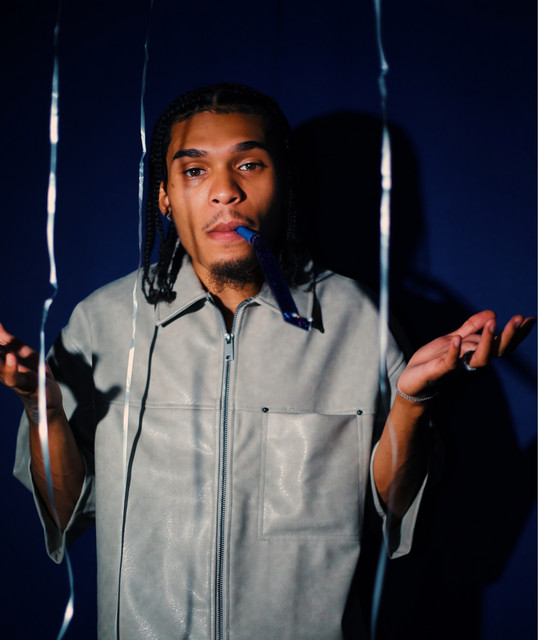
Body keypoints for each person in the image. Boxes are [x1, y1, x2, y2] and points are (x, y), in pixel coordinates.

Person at [2, 83, 534, 639]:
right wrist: (43, 412)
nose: (224, 192)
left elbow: (393, 511)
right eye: (194, 171)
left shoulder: (357, 320)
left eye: (249, 165)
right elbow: (65, 512)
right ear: (164, 197)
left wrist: (412, 402)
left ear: (284, 183)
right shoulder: (101, 323)